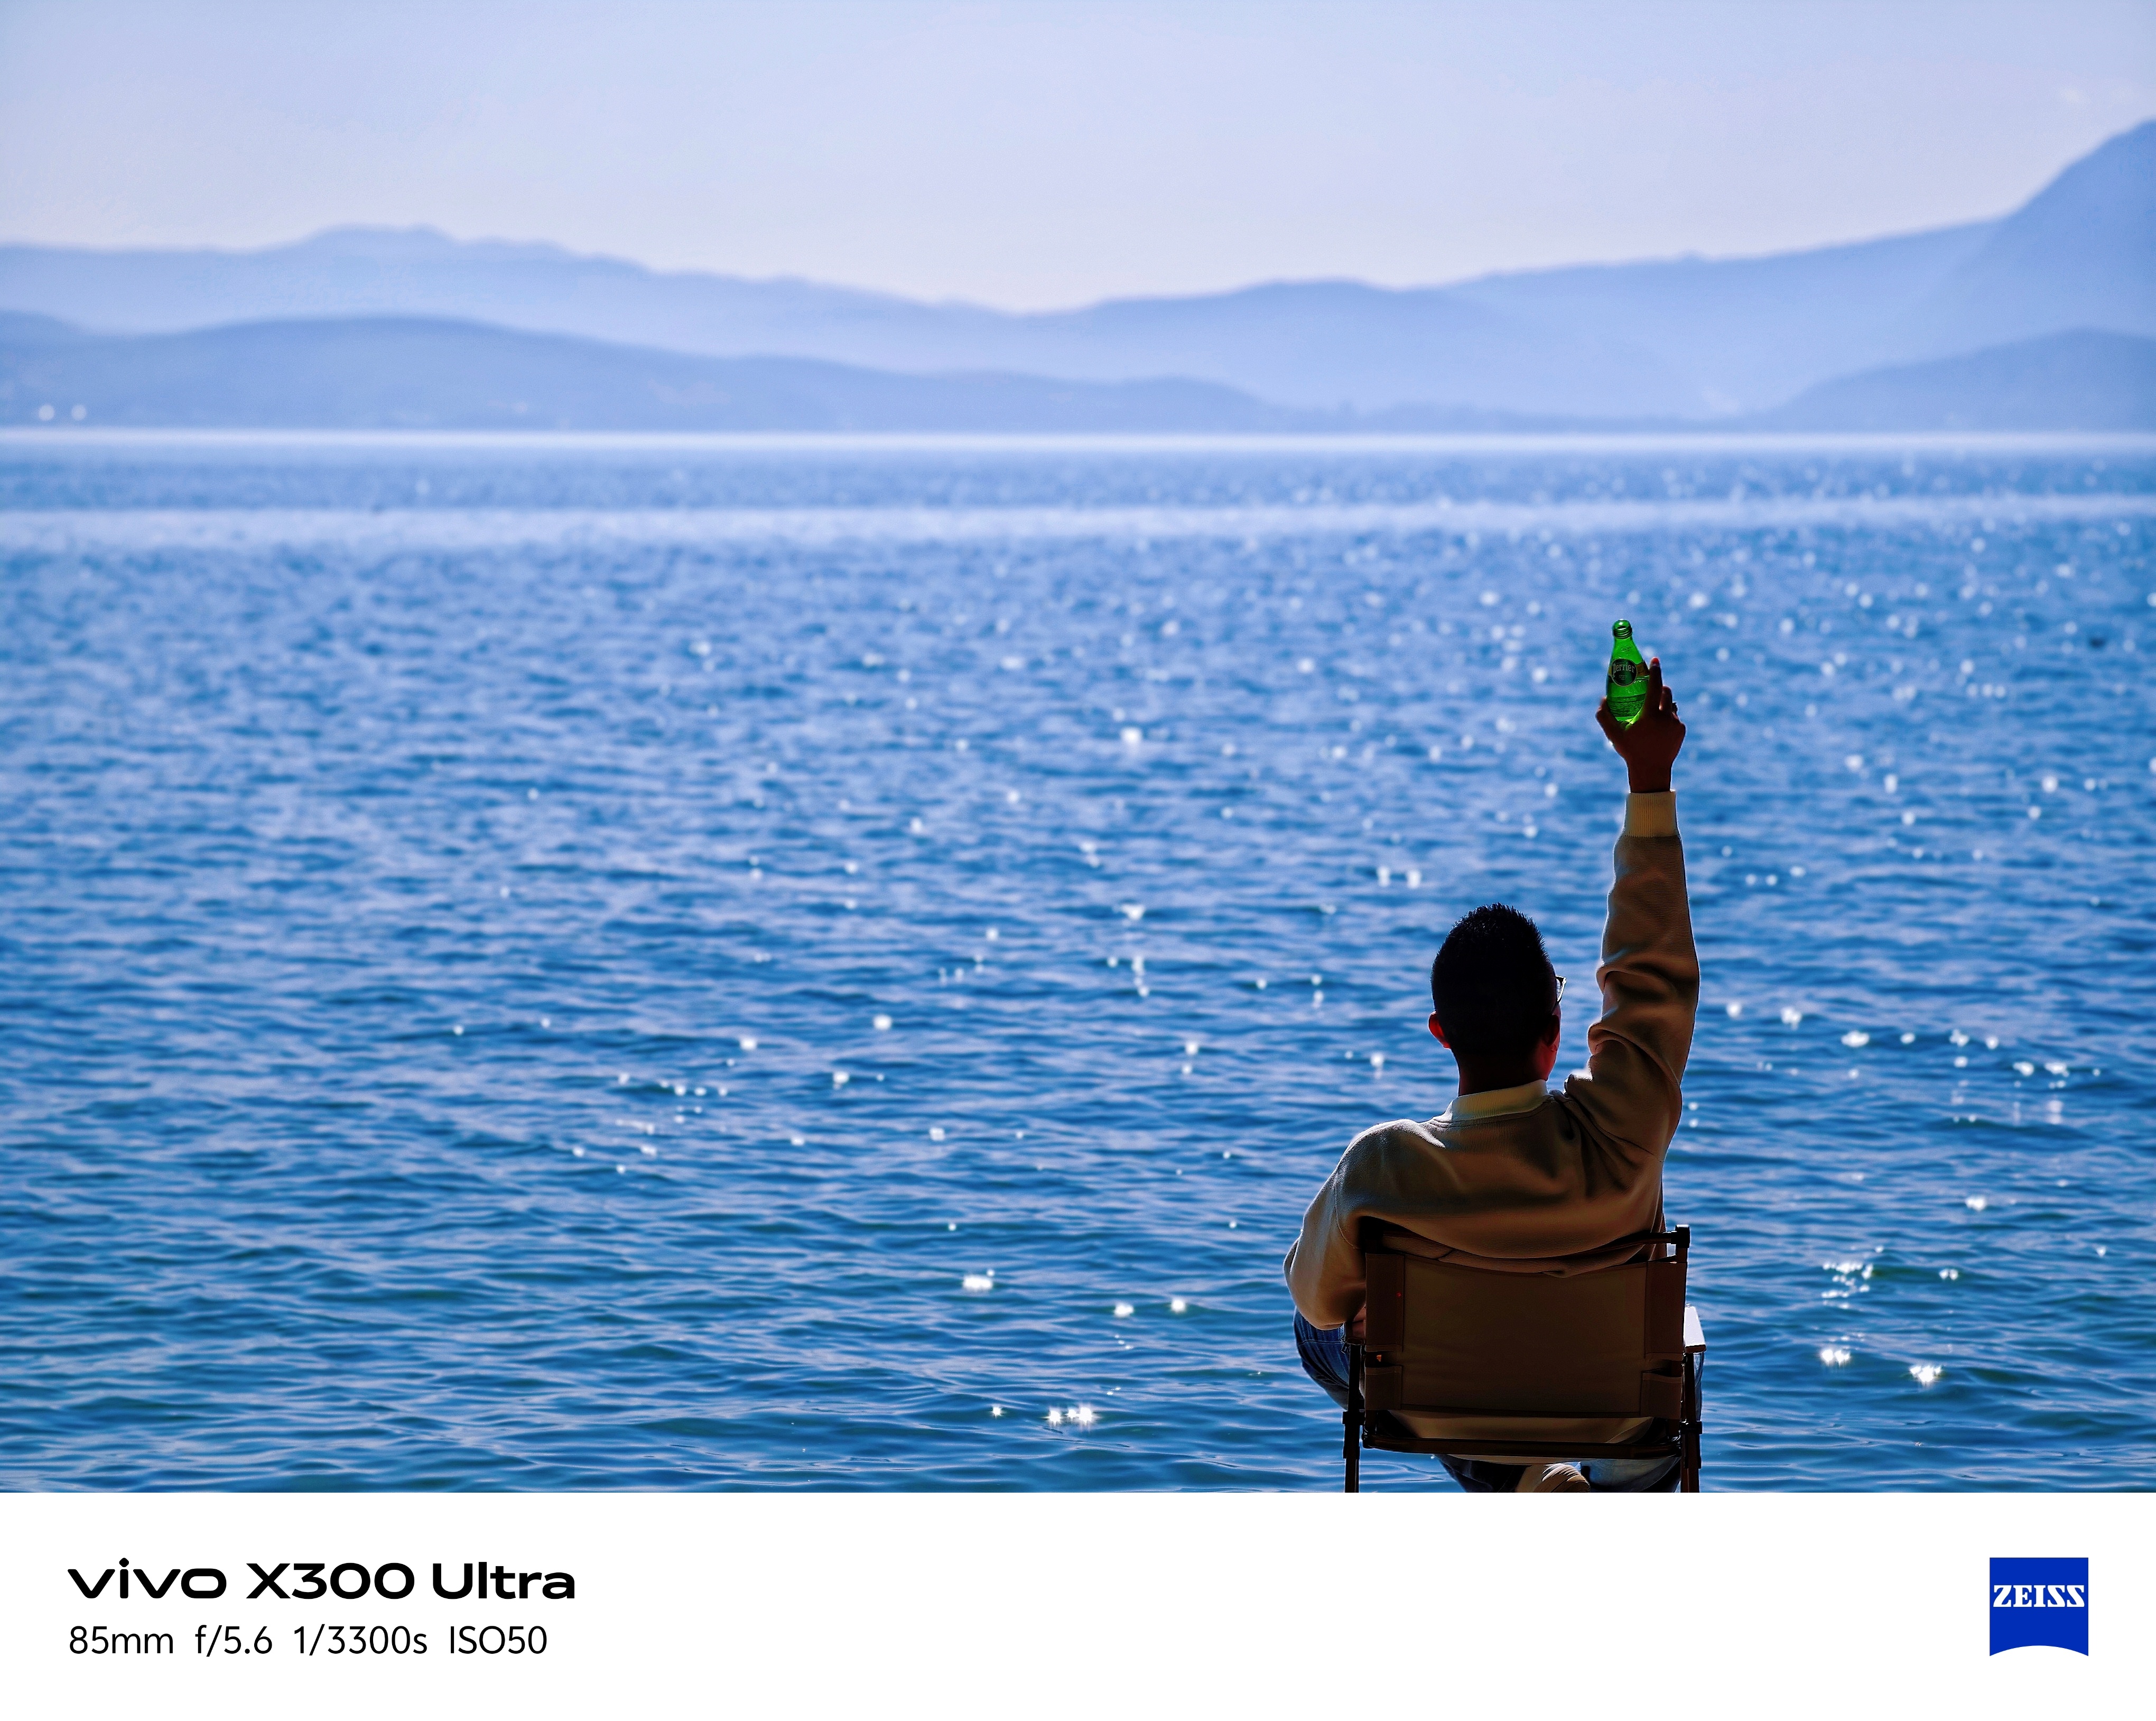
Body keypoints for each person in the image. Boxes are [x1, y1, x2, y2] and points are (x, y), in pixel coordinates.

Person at [1284, 656, 1697, 1493]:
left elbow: (1318, 1300)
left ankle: (1520, 1481)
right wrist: (1648, 778)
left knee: (1319, 1327)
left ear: (1442, 1035)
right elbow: (1652, 975)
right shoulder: (1623, 1133)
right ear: (1557, 1036)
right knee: (1676, 1342)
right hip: (1616, 1411)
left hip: (1437, 1403)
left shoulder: (1383, 1166)